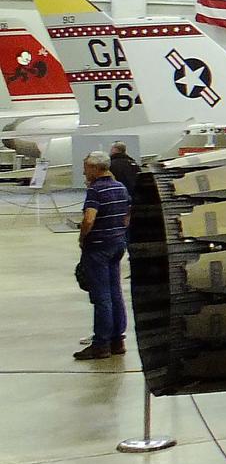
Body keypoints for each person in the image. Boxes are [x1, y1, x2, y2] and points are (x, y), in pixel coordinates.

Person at [74, 149, 131, 360]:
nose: (84, 172)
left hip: (98, 247)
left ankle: (101, 344)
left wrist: (82, 238)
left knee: (102, 297)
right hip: (117, 244)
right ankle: (118, 340)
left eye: (86, 168)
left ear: (96, 168)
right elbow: (127, 213)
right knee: (115, 293)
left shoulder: (96, 191)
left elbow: (89, 219)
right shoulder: (120, 187)